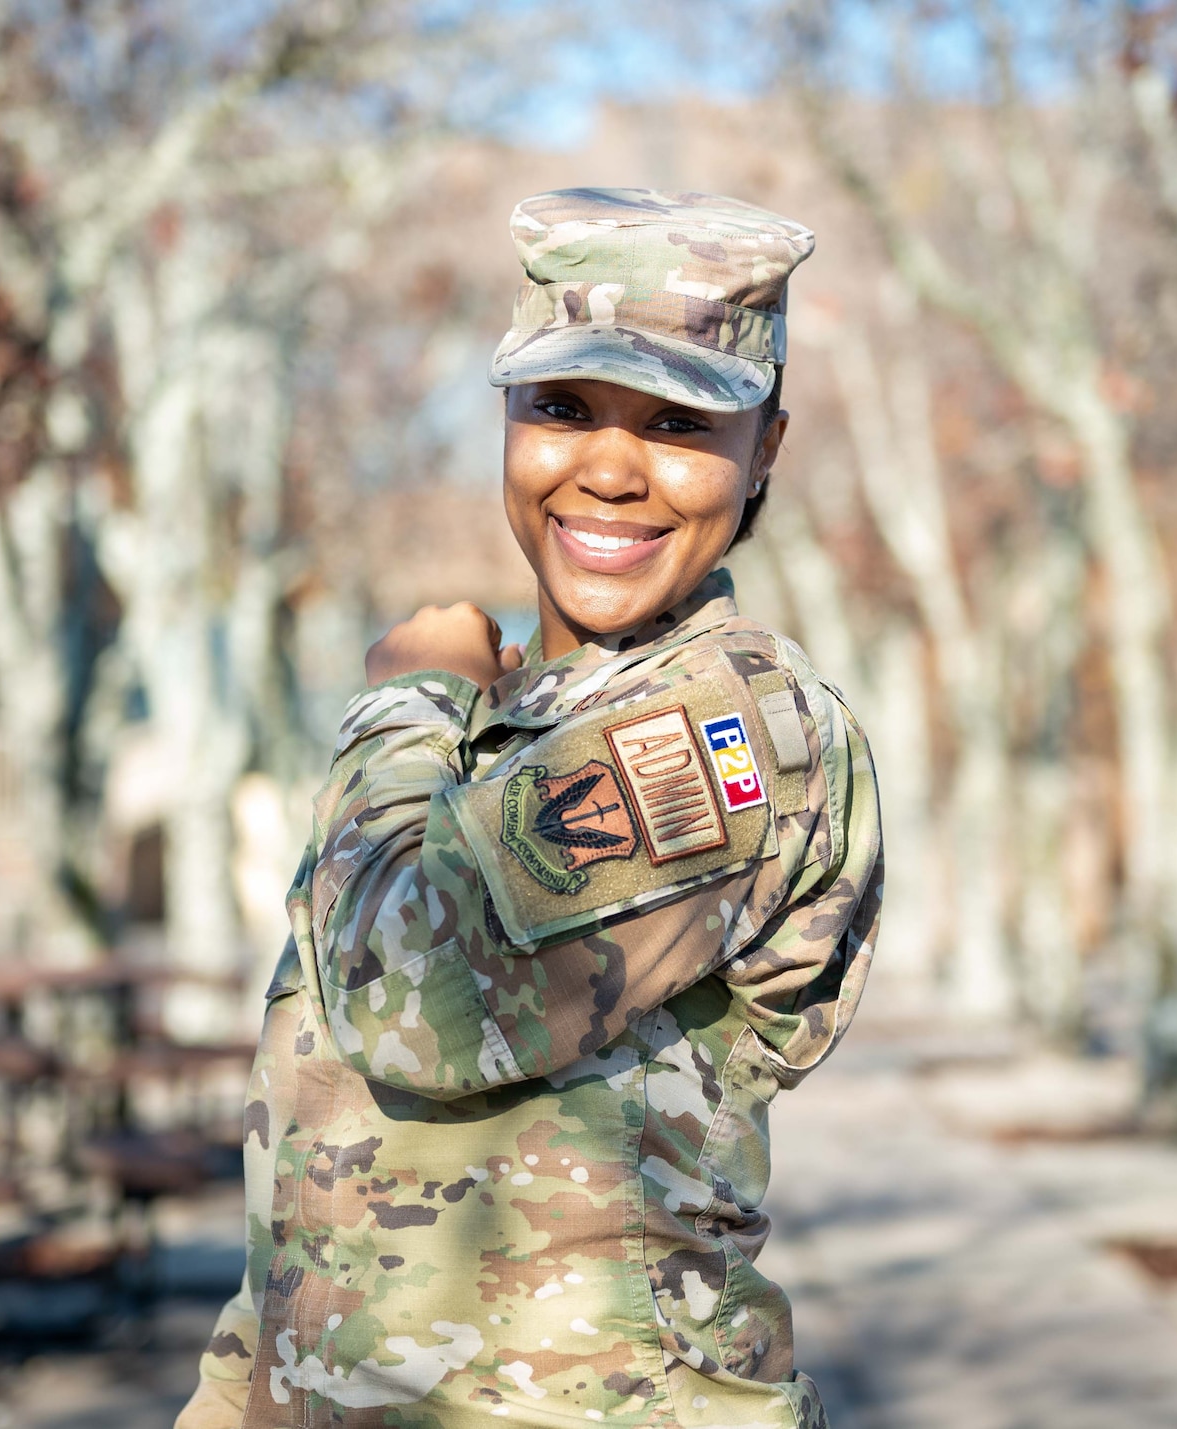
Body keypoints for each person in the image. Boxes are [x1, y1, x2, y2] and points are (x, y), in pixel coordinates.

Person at [177, 187, 884, 1428]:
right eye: (560, 407)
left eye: (677, 421)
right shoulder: (506, 730)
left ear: (764, 447)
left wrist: (403, 707)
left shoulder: (726, 729)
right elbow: (320, 1152)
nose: (607, 469)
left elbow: (413, 1004)